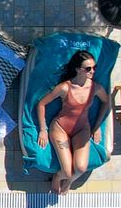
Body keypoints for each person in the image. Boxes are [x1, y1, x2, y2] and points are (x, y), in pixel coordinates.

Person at [34, 50, 109, 195]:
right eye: (88, 68)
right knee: (67, 171)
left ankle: (68, 181)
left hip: (82, 129)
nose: (92, 71)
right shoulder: (65, 87)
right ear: (78, 69)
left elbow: (106, 101)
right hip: (61, 129)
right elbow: (42, 104)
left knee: (80, 168)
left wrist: (97, 126)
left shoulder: (95, 88)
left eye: (94, 67)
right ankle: (58, 177)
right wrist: (43, 129)